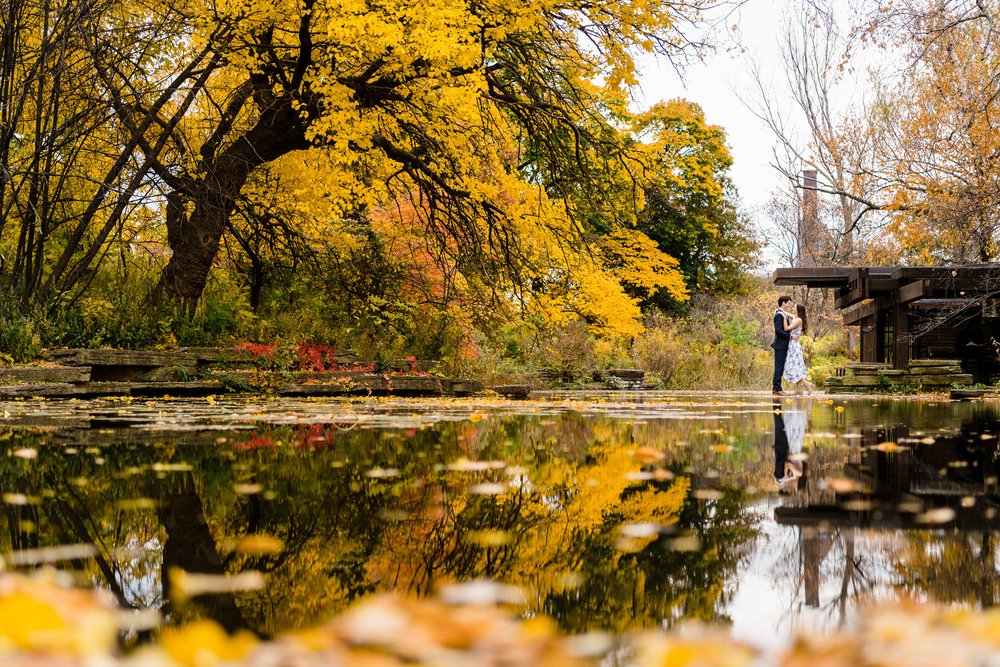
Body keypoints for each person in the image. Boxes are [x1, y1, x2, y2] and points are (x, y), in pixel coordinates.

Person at [783, 303, 815, 395]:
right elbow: (786, 313)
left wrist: (784, 318)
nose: (793, 307)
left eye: (794, 307)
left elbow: (786, 328)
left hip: (794, 345)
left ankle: (807, 384)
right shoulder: (795, 317)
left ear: (798, 309)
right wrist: (781, 311)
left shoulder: (799, 320)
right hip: (792, 343)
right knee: (794, 365)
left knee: (795, 366)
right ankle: (798, 389)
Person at [771, 295, 797, 396]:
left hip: (783, 345)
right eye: (788, 303)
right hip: (780, 345)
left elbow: (792, 317)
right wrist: (790, 336)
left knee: (780, 367)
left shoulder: (781, 313)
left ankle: (776, 388)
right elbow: (778, 330)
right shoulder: (778, 315)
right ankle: (777, 389)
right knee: (779, 367)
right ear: (783, 303)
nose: (789, 305)